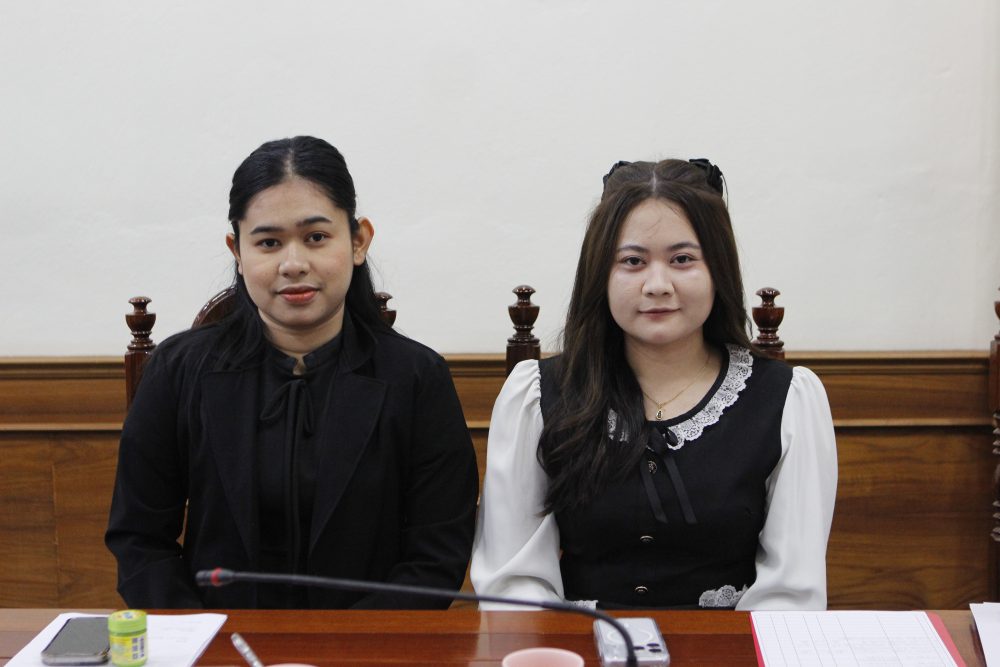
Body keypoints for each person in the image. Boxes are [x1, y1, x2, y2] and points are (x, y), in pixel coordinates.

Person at [106, 136, 479, 609]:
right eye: (268, 243)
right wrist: (202, 637)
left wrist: (352, 644)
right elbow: (140, 542)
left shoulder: (417, 378)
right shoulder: (178, 371)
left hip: (370, 642)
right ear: (237, 251)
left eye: (316, 237)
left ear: (359, 240)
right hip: (216, 639)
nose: (294, 264)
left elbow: (436, 555)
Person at [470, 159, 837, 610]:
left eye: (682, 259)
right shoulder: (539, 395)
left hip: (730, 647)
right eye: (633, 261)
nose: (657, 285)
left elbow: (789, 595)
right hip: (578, 644)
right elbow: (515, 584)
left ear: (718, 269)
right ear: (600, 274)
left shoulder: (785, 399)